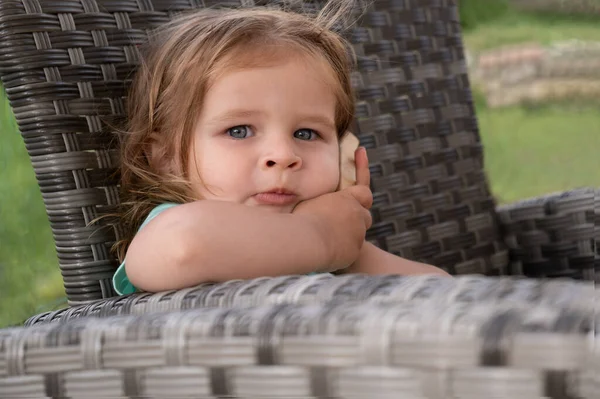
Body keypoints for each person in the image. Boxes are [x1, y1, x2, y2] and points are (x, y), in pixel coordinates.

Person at [113, 1, 449, 295]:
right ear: (165, 157)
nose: (284, 155)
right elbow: (183, 246)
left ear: (345, 153)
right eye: (239, 130)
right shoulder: (169, 225)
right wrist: (321, 236)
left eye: (305, 133)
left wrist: (337, 237)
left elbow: (441, 289)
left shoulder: (336, 248)